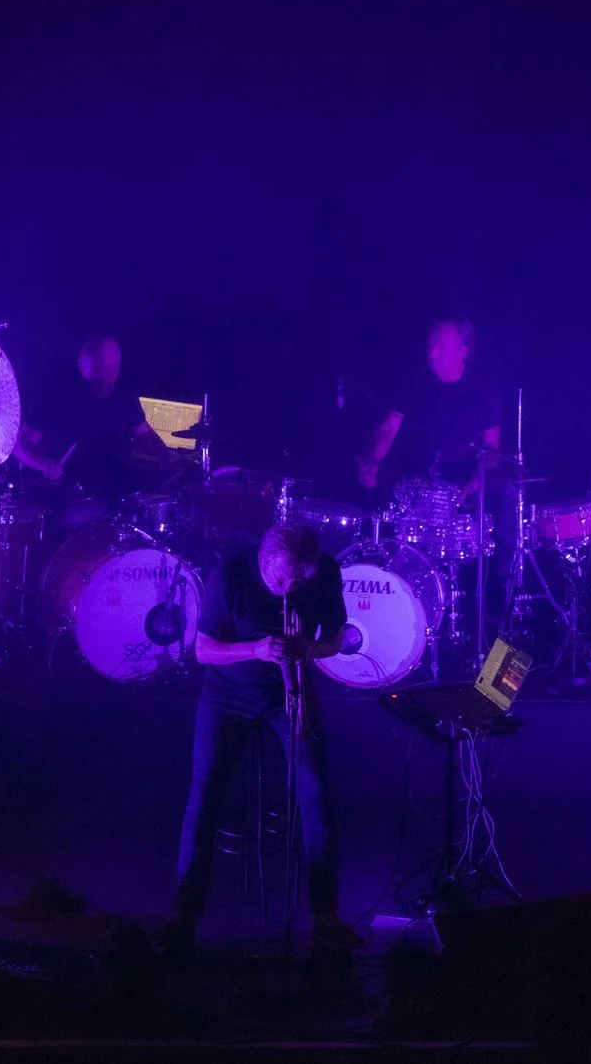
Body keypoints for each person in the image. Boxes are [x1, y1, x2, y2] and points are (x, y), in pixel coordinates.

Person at [166, 520, 361, 958]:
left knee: (316, 797)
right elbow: (203, 650)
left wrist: (308, 650)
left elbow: (335, 636)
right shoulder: (232, 571)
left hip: (289, 693)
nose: (290, 587)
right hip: (228, 695)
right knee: (204, 797)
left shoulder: (321, 571)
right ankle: (184, 915)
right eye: (283, 579)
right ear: (265, 560)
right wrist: (255, 650)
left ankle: (326, 918)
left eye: (300, 580)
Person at [354, 317, 500, 496]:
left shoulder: (483, 388)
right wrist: (372, 460)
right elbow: (389, 428)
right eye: (430, 346)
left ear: (463, 351)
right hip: (411, 487)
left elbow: (491, 448)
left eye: (441, 347)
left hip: (460, 491)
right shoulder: (414, 378)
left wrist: (470, 487)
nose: (432, 354)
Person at [13, 334, 167, 499]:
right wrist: (44, 465)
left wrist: (167, 456)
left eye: (110, 371)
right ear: (81, 365)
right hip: (66, 490)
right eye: (99, 372)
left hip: (113, 483)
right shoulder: (58, 394)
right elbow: (21, 445)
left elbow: (143, 432)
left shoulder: (125, 393)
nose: (105, 380)